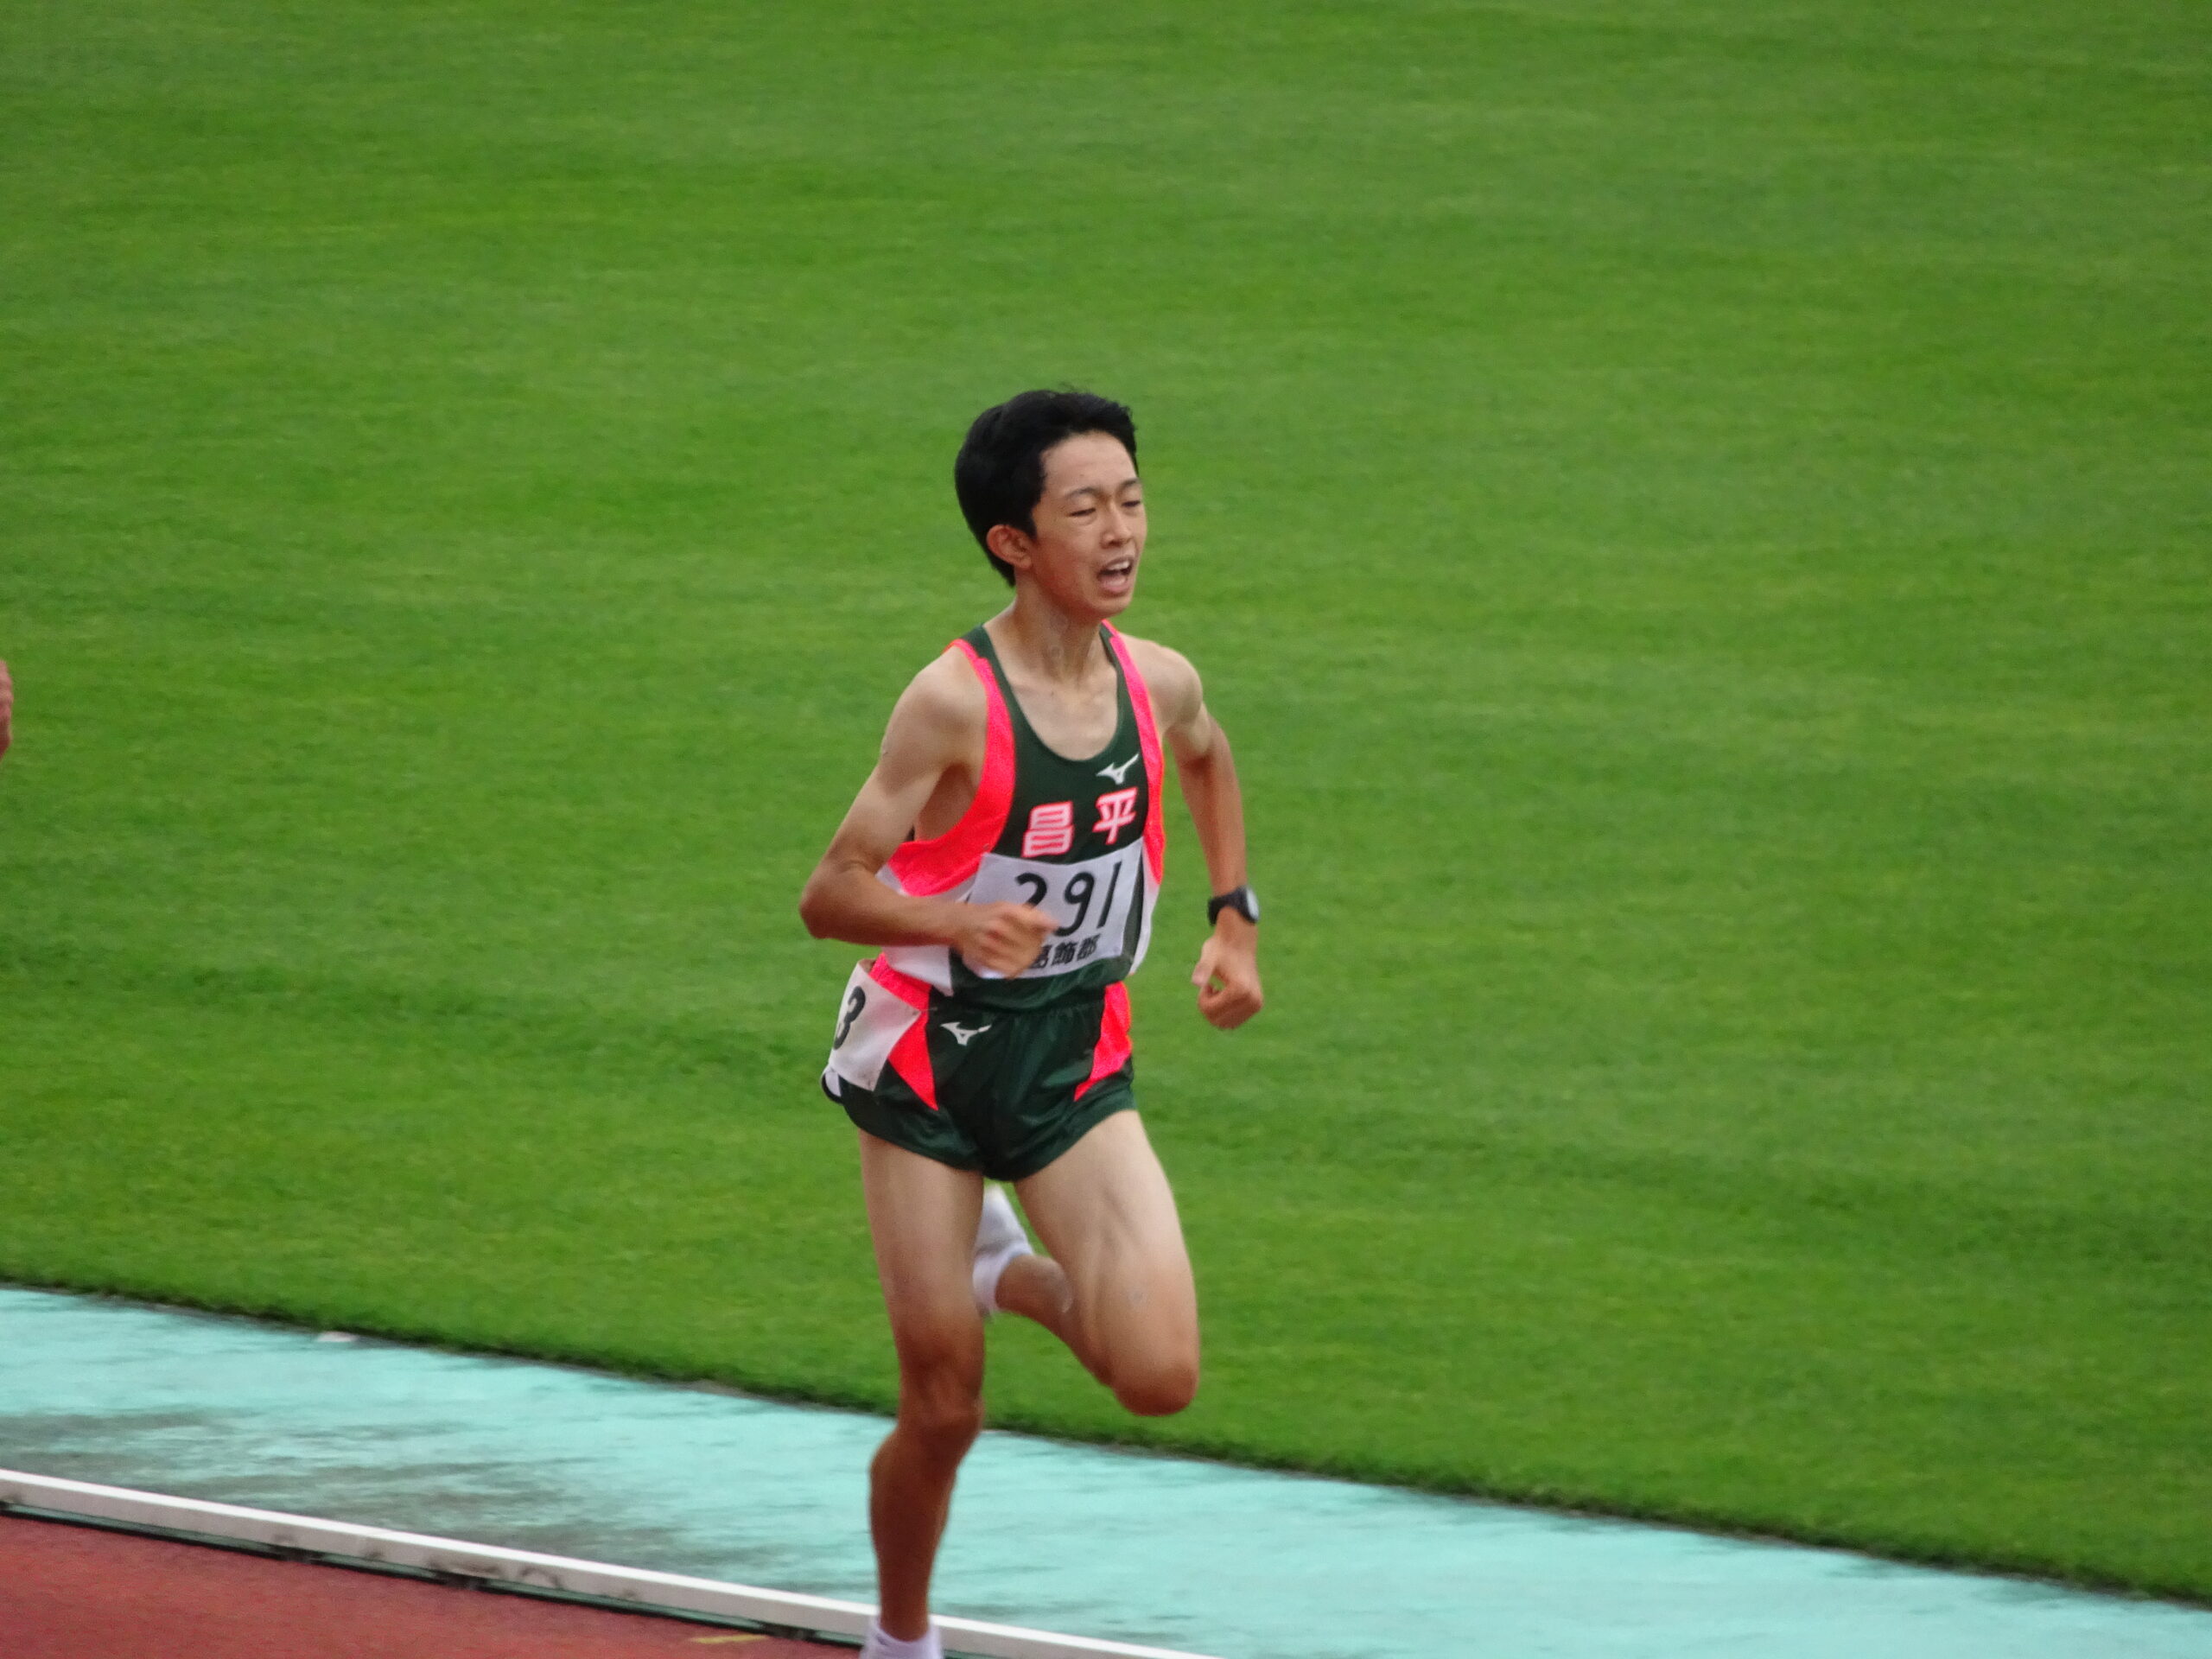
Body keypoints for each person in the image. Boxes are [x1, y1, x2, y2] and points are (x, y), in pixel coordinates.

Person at [798, 390, 1263, 1659]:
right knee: (946, 1406)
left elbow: (1208, 755)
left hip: (1073, 1049)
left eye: (1133, 501)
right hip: (927, 1062)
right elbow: (829, 894)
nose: (1122, 533)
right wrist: (955, 921)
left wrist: (1234, 919)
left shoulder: (1158, 681)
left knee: (1159, 1375)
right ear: (1013, 541)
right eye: (1086, 510)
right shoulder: (951, 704)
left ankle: (1004, 1272)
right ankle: (901, 1642)